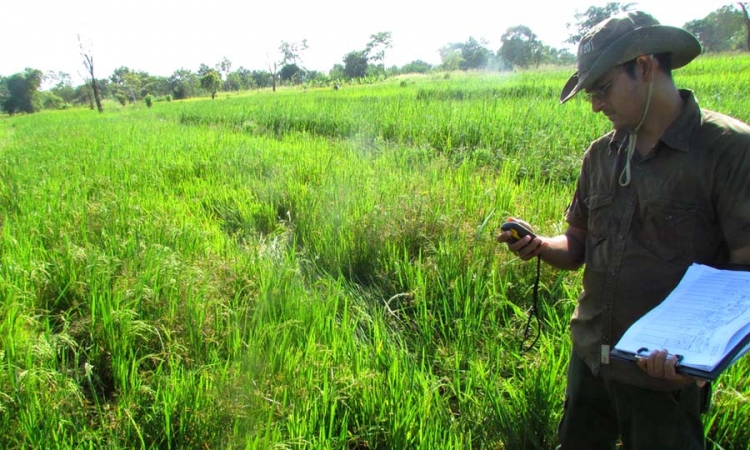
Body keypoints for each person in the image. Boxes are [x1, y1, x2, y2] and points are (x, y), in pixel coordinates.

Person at [497, 11, 750, 450]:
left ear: (646, 66)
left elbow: (743, 275)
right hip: (592, 360)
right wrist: (539, 246)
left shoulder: (728, 151)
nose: (596, 105)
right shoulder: (601, 156)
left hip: (664, 381)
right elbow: (576, 246)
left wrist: (693, 355)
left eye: (602, 88)